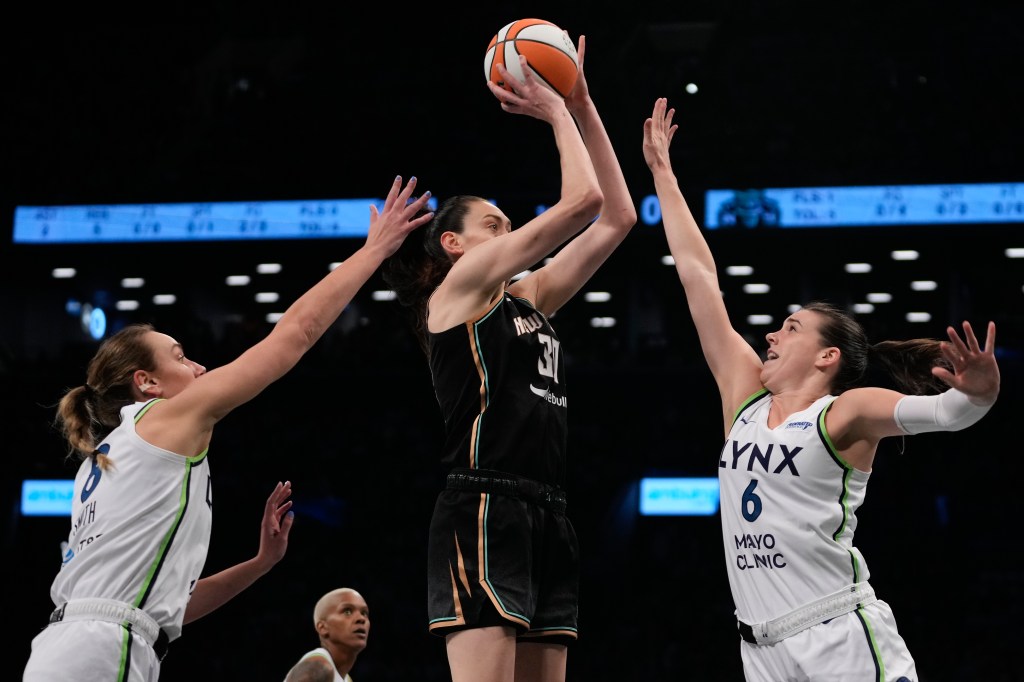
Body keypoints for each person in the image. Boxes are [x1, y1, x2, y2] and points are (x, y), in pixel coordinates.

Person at [642, 96, 1000, 681]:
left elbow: (948, 413)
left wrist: (978, 394)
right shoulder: (745, 399)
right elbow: (697, 274)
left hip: (838, 638)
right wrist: (663, 174)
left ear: (828, 356)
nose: (770, 333)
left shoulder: (846, 414)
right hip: (760, 650)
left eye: (790, 327)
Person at [23, 176, 434, 682]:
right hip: (104, 650)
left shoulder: (107, 458)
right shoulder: (163, 419)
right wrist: (374, 251)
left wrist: (260, 563)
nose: (197, 366)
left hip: (65, 649)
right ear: (146, 382)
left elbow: (172, 607)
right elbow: (294, 335)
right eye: (180, 356)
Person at [382, 36, 635, 682]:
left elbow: (617, 217)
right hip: (484, 505)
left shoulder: (528, 298)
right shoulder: (459, 289)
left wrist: (582, 100)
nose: (508, 230)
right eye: (494, 223)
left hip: (548, 510)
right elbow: (583, 203)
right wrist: (555, 111)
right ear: (453, 242)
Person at [283, 587, 370, 682]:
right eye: (347, 611)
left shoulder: (345, 679)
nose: (361, 618)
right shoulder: (318, 667)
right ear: (322, 627)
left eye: (364, 613)